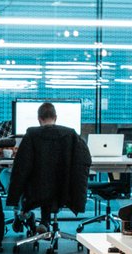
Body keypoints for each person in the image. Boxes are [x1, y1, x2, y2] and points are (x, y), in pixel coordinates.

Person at [8, 102, 91, 238]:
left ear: (39, 118)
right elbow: (85, 160)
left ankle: (23, 213)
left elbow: (21, 167)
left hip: (36, 190)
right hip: (62, 188)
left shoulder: (31, 134)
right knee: (49, 188)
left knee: (7, 175)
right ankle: (44, 221)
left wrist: (14, 195)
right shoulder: (70, 134)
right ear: (56, 117)